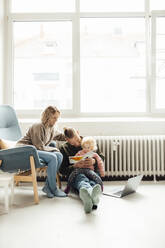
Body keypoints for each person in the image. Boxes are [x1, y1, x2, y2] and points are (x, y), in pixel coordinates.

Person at [16, 105, 67, 198]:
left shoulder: (51, 128)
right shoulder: (38, 126)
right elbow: (38, 146)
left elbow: (61, 136)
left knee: (59, 156)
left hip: (34, 151)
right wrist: (54, 150)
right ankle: (54, 188)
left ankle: (47, 187)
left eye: (57, 118)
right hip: (25, 150)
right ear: (47, 116)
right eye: (54, 118)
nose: (56, 120)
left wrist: (75, 136)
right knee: (53, 157)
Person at [59, 128, 105, 213]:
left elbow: (101, 157)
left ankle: (89, 196)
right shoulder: (64, 148)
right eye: (73, 143)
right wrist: (74, 166)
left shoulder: (88, 141)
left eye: (77, 140)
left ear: (78, 132)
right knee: (81, 179)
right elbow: (62, 170)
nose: (76, 144)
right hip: (76, 174)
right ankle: (90, 194)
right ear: (67, 140)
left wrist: (94, 161)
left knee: (93, 179)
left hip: (92, 171)